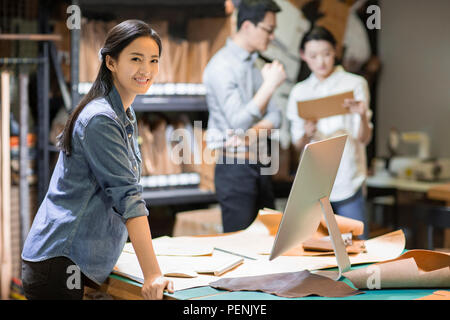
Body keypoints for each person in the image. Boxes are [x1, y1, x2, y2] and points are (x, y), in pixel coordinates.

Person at [21, 20, 173, 300]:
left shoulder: (124, 114)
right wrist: (152, 274)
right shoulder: (101, 119)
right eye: (136, 59)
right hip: (59, 264)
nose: (146, 70)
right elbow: (128, 196)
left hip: (69, 263)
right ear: (111, 62)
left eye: (154, 60)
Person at [203, 0, 286, 233]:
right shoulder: (221, 66)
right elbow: (237, 120)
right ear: (248, 26)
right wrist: (269, 86)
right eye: (268, 30)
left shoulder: (255, 64)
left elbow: (276, 115)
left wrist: (249, 135)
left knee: (268, 243)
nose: (272, 37)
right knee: (239, 246)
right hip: (234, 167)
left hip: (260, 164)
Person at [286, 26, 373, 237]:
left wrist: (361, 115)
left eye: (326, 54)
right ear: (303, 56)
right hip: (314, 185)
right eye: (313, 56)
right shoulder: (300, 91)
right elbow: (298, 146)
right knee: (316, 256)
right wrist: (307, 132)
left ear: (336, 51)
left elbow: (364, 139)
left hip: (348, 180)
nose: (321, 62)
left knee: (358, 253)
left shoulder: (354, 83)